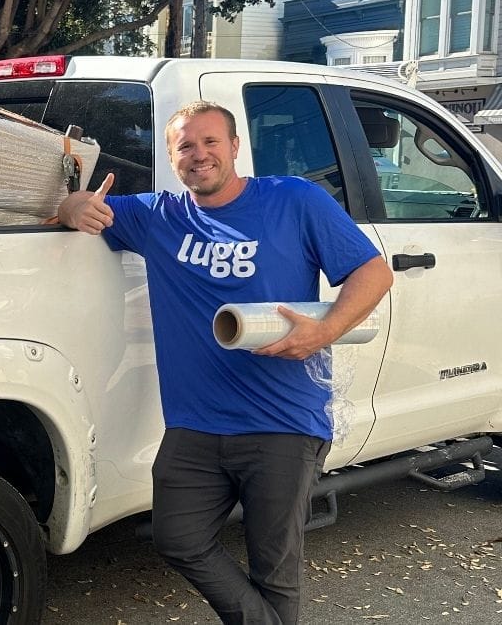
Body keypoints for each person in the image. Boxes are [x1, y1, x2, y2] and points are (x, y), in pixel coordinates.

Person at [58, 100, 393, 624]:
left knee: (274, 568)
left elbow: (373, 272)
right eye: (185, 146)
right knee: (178, 538)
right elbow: (75, 208)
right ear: (172, 158)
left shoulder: (294, 200)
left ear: (235, 147)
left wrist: (324, 331)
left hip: (282, 422)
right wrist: (74, 207)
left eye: (211, 141)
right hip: (195, 426)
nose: (199, 154)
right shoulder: (157, 215)